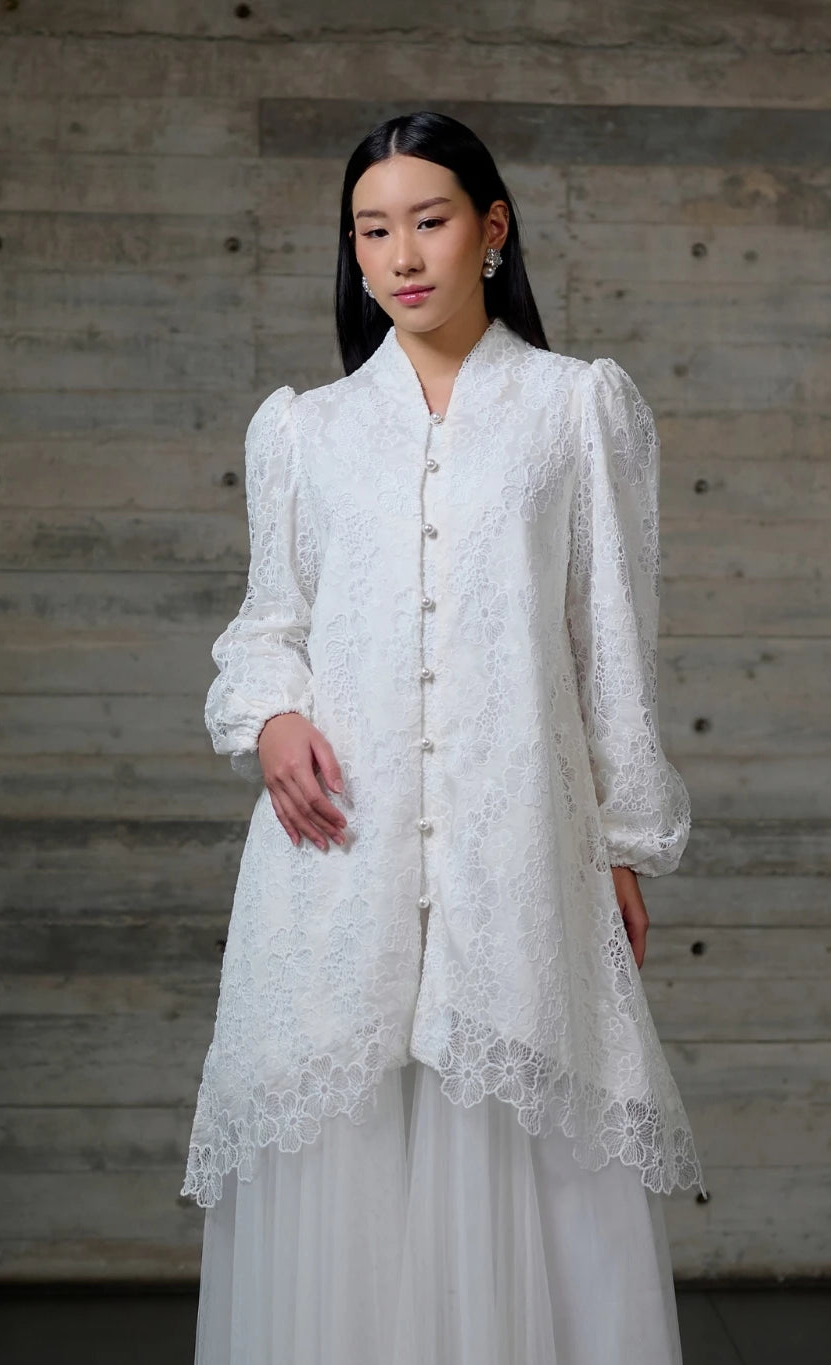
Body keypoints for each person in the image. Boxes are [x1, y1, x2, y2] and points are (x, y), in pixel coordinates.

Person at [182, 109, 704, 1365]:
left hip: (517, 849)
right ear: (351, 252)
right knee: (347, 1173)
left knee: (524, 1154)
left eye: (429, 220)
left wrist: (622, 843)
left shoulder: (577, 410)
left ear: (490, 230)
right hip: (335, 859)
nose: (401, 255)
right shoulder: (302, 432)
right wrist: (273, 717)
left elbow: (612, 650)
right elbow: (267, 625)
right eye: (373, 230)